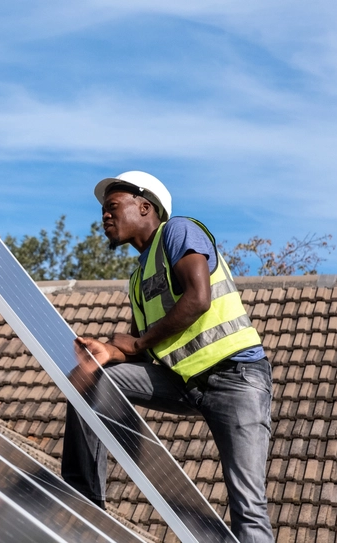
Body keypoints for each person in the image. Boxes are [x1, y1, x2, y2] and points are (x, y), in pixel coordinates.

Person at [62, 171, 274, 543]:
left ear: (145, 207)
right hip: (184, 384)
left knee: (248, 508)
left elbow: (198, 298)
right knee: (94, 379)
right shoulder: (137, 277)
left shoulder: (178, 231)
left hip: (236, 380)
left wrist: (135, 345)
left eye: (112, 207)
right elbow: (139, 354)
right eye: (102, 211)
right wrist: (108, 354)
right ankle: (84, 501)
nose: (104, 217)